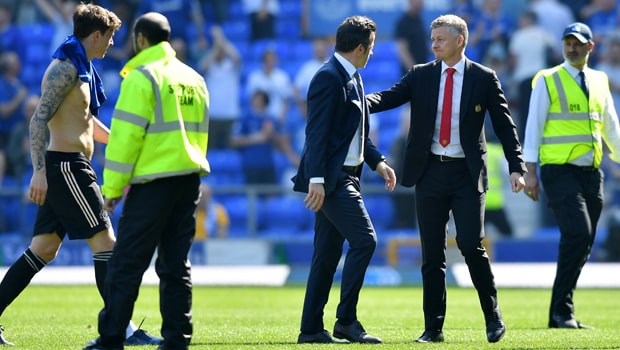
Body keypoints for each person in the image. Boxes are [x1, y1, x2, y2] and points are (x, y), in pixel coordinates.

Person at [0, 3, 162, 347]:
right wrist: (38, 173)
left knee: (43, 249)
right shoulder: (64, 69)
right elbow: (37, 120)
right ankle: (123, 330)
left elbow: (86, 124)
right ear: (97, 34)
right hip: (67, 167)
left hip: (71, 166)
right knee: (107, 244)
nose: (111, 45)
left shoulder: (80, 67)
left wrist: (127, 139)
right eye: (110, 38)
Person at [366, 14, 526, 343]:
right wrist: (356, 102)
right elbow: (389, 97)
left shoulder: (483, 77)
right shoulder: (421, 75)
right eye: (432, 38)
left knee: (470, 243)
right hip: (430, 173)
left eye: (440, 38)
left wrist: (517, 166)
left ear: (460, 41)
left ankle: (493, 316)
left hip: (466, 174)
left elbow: (505, 125)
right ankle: (433, 329)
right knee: (432, 255)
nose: (433, 43)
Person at [84, 11, 210, 350]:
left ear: (140, 39)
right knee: (175, 264)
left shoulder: (141, 78)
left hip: (153, 182)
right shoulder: (194, 78)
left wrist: (111, 190)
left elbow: (125, 142)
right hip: (189, 180)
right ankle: (177, 339)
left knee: (127, 263)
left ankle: (111, 337)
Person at [292, 15, 396, 344]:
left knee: (326, 255)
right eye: (372, 49)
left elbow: (356, 132)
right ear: (361, 48)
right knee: (365, 241)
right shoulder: (328, 77)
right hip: (334, 180)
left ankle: (310, 329)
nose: (373, 54)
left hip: (347, 176)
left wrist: (378, 161)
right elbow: (317, 133)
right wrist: (318, 180)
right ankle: (346, 322)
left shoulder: (352, 76)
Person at [522, 22, 620, 329]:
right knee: (578, 234)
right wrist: (531, 173)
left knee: (583, 240)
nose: (572, 47)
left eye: (578, 43)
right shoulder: (548, 79)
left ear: (590, 47)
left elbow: (610, 127)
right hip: (558, 170)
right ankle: (561, 312)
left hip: (591, 173)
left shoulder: (601, 79)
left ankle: (562, 312)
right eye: (568, 42)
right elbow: (533, 126)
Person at [199, 25, 242, 150]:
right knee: (209, 150)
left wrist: (220, 38)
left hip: (231, 115)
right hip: (212, 115)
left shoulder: (231, 66)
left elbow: (236, 57)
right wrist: (216, 46)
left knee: (231, 150)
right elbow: (203, 66)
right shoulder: (209, 64)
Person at [394, 0, 429, 75]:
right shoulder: (403, 23)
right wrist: (414, 71)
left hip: (422, 70)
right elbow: (403, 51)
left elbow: (422, 45)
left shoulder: (419, 20)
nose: (421, 3)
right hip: (411, 75)